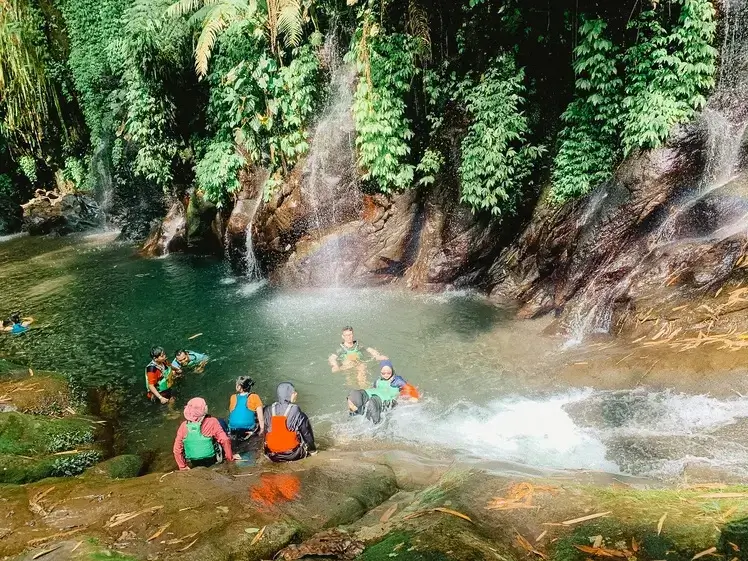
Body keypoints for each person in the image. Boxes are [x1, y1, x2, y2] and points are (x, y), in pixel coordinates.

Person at [173, 397, 239, 470]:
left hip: (194, 461)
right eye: (204, 405)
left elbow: (177, 449)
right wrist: (230, 458)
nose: (206, 406)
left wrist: (182, 466)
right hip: (211, 459)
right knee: (221, 426)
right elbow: (225, 440)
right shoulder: (212, 421)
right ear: (202, 409)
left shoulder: (184, 426)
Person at [263, 382, 316, 462]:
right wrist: (312, 450)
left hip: (272, 455)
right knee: (303, 420)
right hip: (292, 455)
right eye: (293, 392)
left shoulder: (268, 409)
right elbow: (306, 433)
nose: (296, 394)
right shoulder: (295, 410)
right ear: (288, 394)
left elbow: (264, 431)